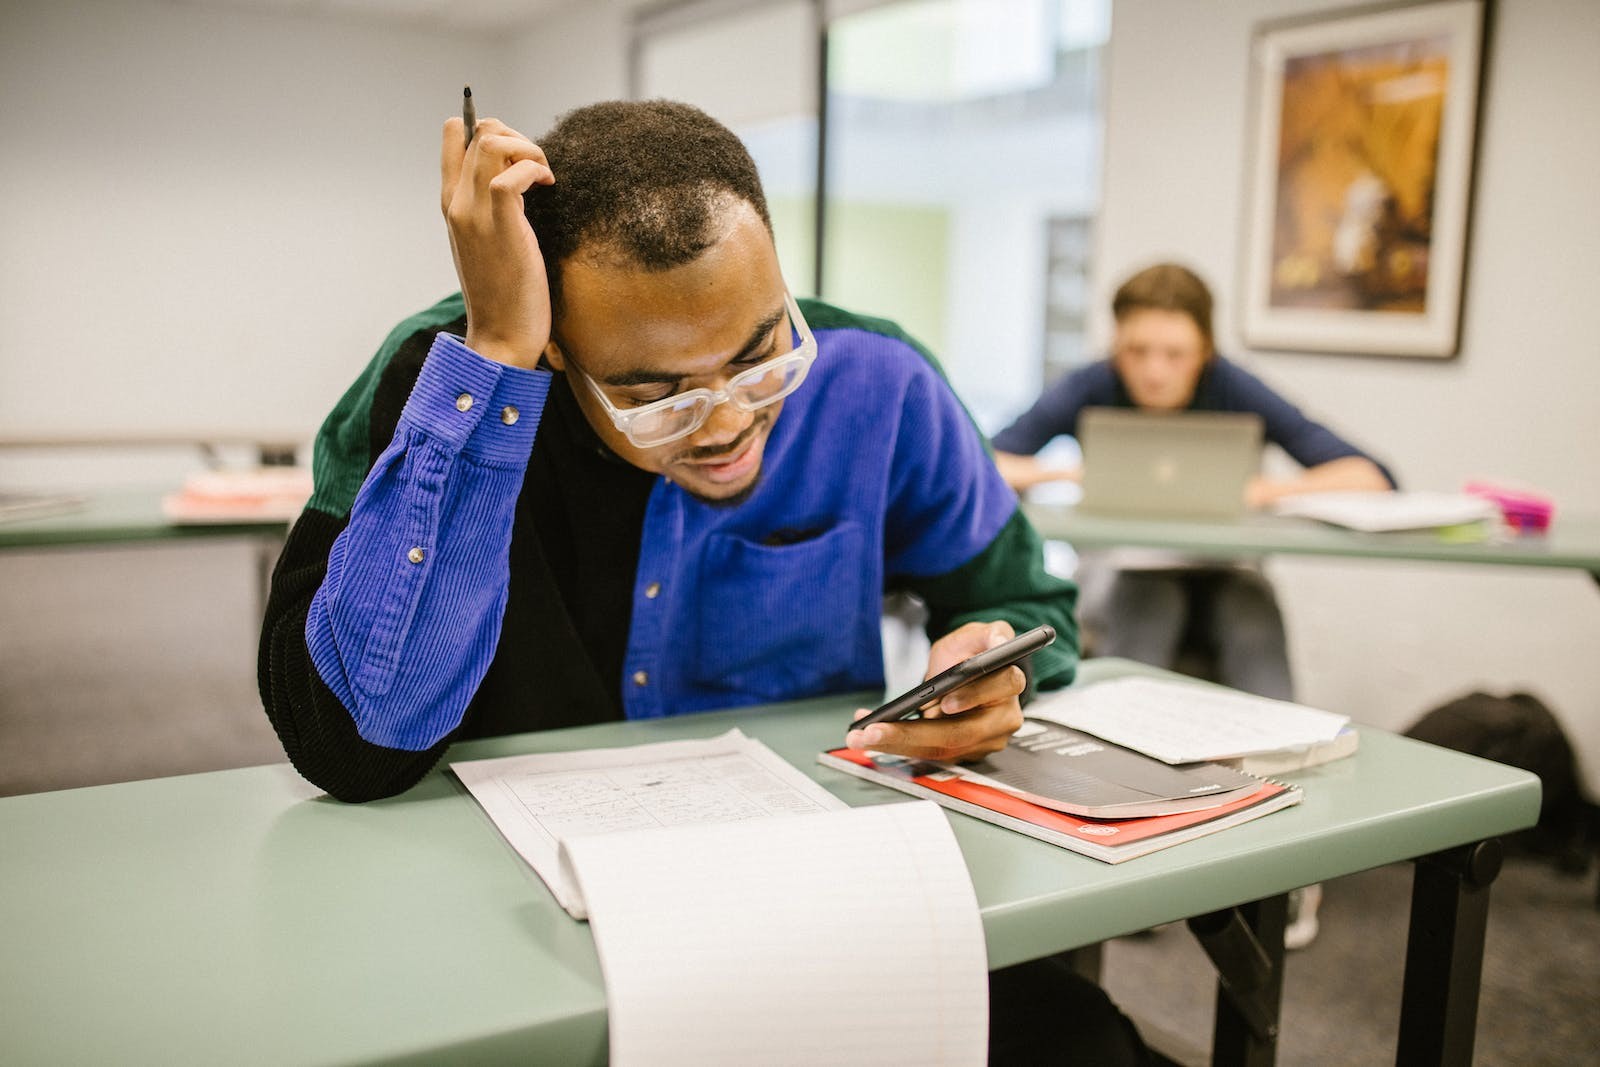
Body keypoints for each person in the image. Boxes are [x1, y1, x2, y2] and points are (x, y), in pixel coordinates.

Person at [257, 100, 1145, 1064]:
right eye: (652, 393)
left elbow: (1023, 599)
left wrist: (988, 656)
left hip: (814, 901)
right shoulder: (445, 381)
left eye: (761, 352)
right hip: (524, 929)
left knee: (1090, 1042)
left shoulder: (880, 379)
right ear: (559, 339)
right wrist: (499, 356)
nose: (723, 424)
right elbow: (353, 743)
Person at [993, 262, 1394, 951]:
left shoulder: (1234, 386)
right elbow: (984, 461)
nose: (1152, 370)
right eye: (1137, 350)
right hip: (1135, 581)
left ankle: (1292, 865)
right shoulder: (1093, 385)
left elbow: (1372, 477)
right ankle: (1135, 843)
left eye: (1173, 354)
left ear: (1204, 350)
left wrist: (1258, 492)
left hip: (1227, 579)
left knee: (1251, 617)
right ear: (1117, 345)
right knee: (1148, 606)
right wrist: (1064, 471)